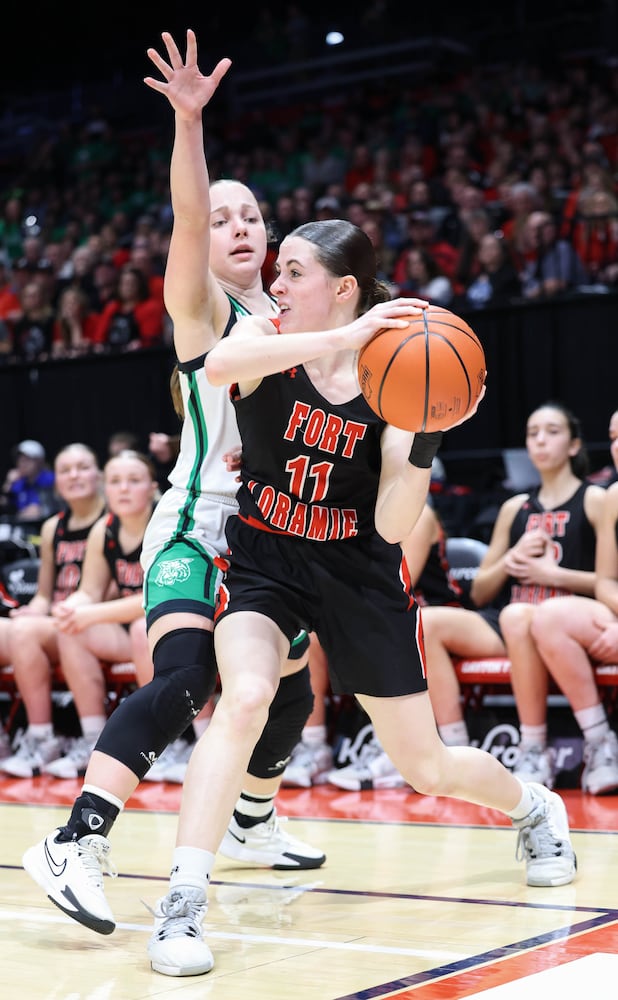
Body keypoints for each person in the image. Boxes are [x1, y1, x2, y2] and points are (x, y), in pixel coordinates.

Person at [145, 214, 575, 977]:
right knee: (242, 697)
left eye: (294, 272)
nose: (274, 283)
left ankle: (536, 808)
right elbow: (216, 369)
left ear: (343, 289)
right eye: (276, 271)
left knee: (426, 768)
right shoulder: (265, 342)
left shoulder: (396, 373)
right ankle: (182, 902)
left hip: (356, 571)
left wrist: (427, 431)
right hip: (266, 557)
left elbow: (390, 519)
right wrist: (339, 340)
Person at [23, 29, 324, 941]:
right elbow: (189, 218)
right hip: (196, 523)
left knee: (293, 693)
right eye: (224, 216)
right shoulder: (204, 304)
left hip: (272, 536)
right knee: (189, 677)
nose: (235, 226)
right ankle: (78, 839)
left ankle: (254, 816)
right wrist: (190, 126)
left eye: (250, 217)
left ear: (272, 239)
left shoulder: (292, 315)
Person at [422, 402, 605, 758]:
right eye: (533, 433)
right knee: (425, 624)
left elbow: (609, 582)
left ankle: (537, 747)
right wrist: (511, 558)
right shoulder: (514, 508)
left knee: (522, 616)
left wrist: (554, 576)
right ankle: (455, 751)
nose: (540, 441)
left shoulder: (595, 500)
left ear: (574, 445)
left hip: (569, 624)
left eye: (552, 432)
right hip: (510, 620)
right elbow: (479, 592)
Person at [38, 450, 158, 778]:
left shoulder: (166, 522)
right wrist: (72, 607)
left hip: (177, 626)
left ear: (152, 487)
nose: (123, 489)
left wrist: (91, 613)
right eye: (115, 482)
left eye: (133, 481)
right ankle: (95, 741)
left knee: (140, 628)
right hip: (132, 631)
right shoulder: (103, 529)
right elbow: (89, 590)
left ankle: (164, 742)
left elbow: (157, 597)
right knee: (71, 628)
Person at [0, 443, 105, 774]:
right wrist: (34, 608)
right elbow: (45, 594)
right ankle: (16, 737)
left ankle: (43, 737)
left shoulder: (113, 520)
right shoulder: (52, 527)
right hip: (56, 622)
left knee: (26, 632)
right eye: (66, 470)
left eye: (83, 467)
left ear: (99, 474)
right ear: (56, 480)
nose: (74, 475)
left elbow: (102, 590)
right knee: (14, 626)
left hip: (95, 620)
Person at [526, 480, 618, 794]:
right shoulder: (614, 496)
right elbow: (606, 583)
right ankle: (600, 744)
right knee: (550, 616)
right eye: (613, 438)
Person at [1, 439, 57, 523]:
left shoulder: (51, 479)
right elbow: (4, 504)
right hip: (23, 528)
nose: (22, 464)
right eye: (20, 460)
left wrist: (42, 510)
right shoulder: (18, 483)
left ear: (39, 461)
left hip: (47, 525)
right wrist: (8, 483)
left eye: (27, 460)